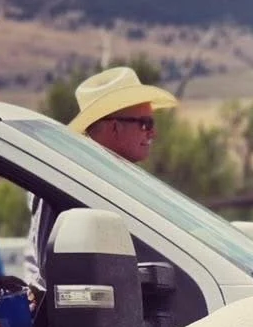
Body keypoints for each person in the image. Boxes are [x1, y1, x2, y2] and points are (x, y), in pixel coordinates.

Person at [24, 65, 176, 296]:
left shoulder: (112, 180)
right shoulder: (68, 180)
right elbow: (49, 273)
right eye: (146, 124)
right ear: (115, 127)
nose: (152, 133)